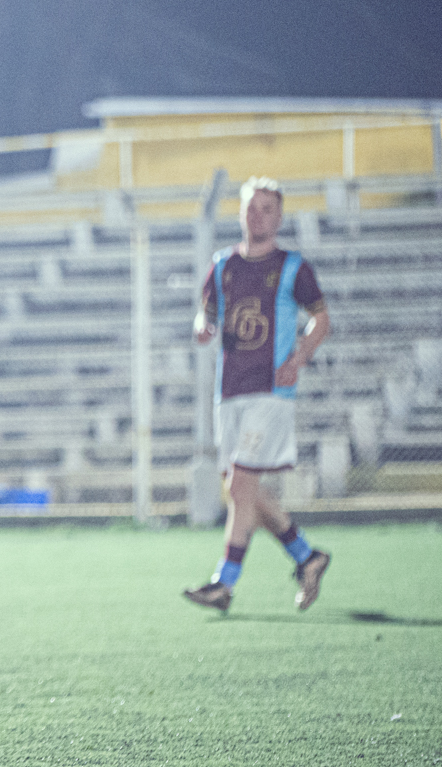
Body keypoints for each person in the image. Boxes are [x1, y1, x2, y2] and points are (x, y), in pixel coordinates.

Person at [184, 176, 332, 613]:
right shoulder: (222, 264)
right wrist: (202, 328)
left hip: (271, 392)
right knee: (241, 489)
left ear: (280, 217)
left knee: (242, 485)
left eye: (267, 209)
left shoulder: (293, 267)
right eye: (252, 207)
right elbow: (205, 314)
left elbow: (321, 320)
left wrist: (299, 357)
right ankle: (307, 557)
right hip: (229, 392)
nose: (258, 215)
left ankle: (223, 583)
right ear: (240, 213)